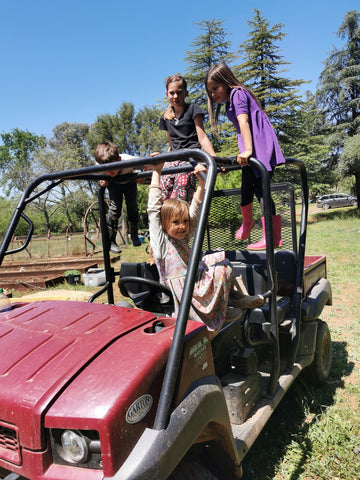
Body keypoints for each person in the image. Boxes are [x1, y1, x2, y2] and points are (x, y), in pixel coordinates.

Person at [147, 161, 264, 338]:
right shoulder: (161, 243)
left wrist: (202, 184)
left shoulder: (184, 236)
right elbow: (153, 208)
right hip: (187, 292)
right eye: (176, 223)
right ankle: (222, 309)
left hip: (194, 279)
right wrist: (156, 171)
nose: (182, 226)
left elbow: (194, 214)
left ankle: (235, 300)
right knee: (222, 268)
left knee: (219, 258)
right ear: (163, 224)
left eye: (184, 222)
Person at [205, 63, 286, 250]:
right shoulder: (229, 101)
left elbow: (244, 121)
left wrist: (248, 150)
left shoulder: (237, 94)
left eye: (215, 88)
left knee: (261, 190)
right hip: (253, 148)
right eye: (210, 92)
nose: (213, 94)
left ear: (225, 82)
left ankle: (271, 236)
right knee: (247, 188)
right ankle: (249, 223)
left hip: (259, 148)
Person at [159, 74, 216, 203]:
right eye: (172, 93)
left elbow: (202, 137)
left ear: (186, 93)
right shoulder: (165, 117)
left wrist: (214, 159)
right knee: (163, 191)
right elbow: (171, 144)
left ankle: (185, 219)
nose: (175, 97)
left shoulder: (193, 109)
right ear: (167, 94)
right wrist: (163, 164)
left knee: (181, 190)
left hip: (190, 157)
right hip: (173, 159)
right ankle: (166, 220)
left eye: (179, 93)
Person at [94, 142, 142, 252]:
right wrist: (103, 179)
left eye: (112, 168)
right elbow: (99, 174)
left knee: (132, 207)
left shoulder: (129, 160)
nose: (109, 172)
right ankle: (111, 241)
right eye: (106, 169)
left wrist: (143, 175)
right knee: (114, 210)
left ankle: (134, 235)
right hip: (114, 184)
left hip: (129, 182)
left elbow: (147, 164)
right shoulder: (99, 164)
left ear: (119, 160)